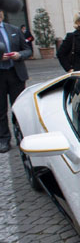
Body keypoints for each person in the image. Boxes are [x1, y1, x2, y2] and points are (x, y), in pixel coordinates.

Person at [0, 9, 32, 153]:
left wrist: (19, 55)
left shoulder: (13, 30)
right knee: (1, 110)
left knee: (19, 108)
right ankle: (4, 140)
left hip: (16, 74)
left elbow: (27, 50)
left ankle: (22, 136)